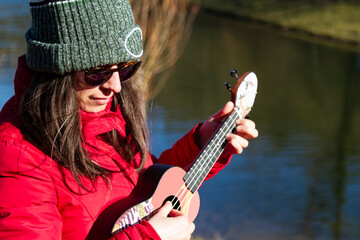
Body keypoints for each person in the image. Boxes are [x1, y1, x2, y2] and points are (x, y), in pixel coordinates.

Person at [0, 0, 258, 239]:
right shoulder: (18, 157)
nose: (115, 86)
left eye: (124, 68)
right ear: (55, 71)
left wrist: (202, 143)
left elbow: (144, 193)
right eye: (97, 72)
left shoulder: (109, 112)